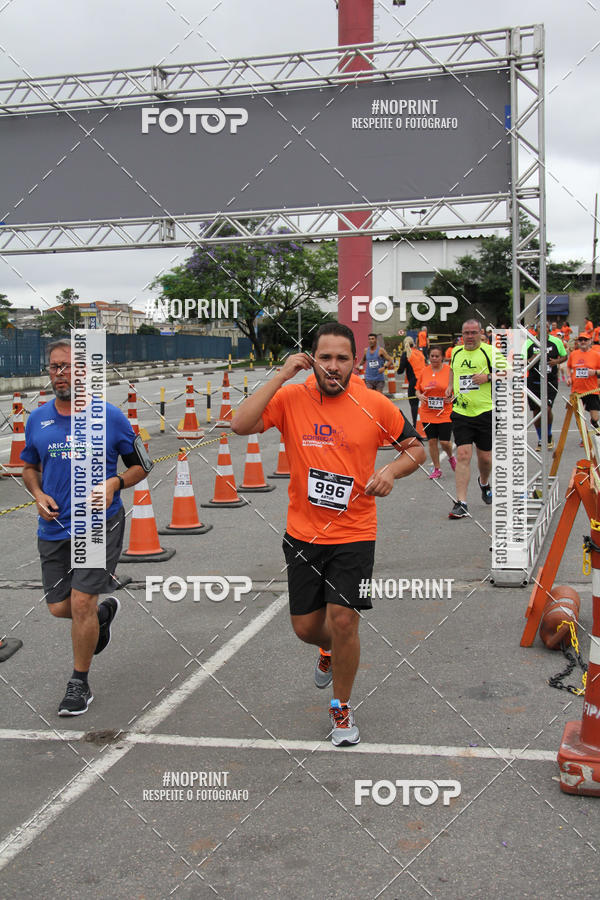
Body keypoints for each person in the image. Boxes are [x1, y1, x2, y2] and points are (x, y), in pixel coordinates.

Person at [231, 322, 425, 746]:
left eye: (342, 358)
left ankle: (341, 707)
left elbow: (416, 448)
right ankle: (329, 649)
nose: (333, 366)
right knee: (306, 627)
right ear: (311, 359)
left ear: (356, 361)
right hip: (303, 534)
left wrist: (391, 470)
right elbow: (240, 425)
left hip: (355, 532)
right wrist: (282, 374)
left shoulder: (375, 403)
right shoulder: (290, 398)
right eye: (325, 358)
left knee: (343, 619)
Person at [21, 340, 148, 716]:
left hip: (98, 523)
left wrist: (115, 484)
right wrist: (38, 492)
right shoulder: (37, 419)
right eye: (55, 367)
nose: (60, 373)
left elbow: (142, 465)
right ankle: (103, 615)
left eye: (68, 367)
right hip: (54, 528)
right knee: (60, 607)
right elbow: (29, 466)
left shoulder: (110, 417)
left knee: (80, 603)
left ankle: (79, 682)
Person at [445, 318, 503, 519]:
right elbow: (453, 370)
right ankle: (461, 502)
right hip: (461, 412)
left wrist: (487, 377)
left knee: (485, 458)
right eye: (466, 333)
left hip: (485, 412)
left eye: (473, 333)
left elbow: (511, 372)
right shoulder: (456, 352)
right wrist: (450, 386)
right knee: (463, 455)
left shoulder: (490, 352)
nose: (469, 337)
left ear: (480, 333)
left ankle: (484, 482)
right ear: (462, 335)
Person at [524, 325, 567, 450]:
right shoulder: (528, 343)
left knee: (546, 409)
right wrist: (530, 360)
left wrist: (556, 362)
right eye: (541, 328)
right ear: (536, 330)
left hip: (550, 381)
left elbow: (565, 356)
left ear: (548, 330)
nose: (544, 330)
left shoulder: (556, 341)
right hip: (534, 382)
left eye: (546, 328)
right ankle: (540, 439)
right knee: (537, 412)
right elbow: (520, 361)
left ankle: (547, 436)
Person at [415, 346, 456, 478]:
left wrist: (452, 397)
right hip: (427, 412)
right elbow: (417, 389)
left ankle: (451, 457)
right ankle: (437, 468)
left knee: (444, 442)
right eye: (432, 356)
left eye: (437, 356)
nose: (434, 359)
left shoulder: (449, 371)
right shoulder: (424, 371)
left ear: (442, 357)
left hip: (444, 411)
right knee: (432, 441)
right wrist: (419, 396)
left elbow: (455, 390)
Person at [566, 333, 600, 434]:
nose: (583, 342)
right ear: (578, 342)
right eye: (581, 340)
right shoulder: (574, 354)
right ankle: (583, 436)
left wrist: (594, 372)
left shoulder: (596, 355)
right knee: (579, 416)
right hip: (577, 391)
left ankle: (594, 423)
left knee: (595, 417)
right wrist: (568, 377)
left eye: (585, 340)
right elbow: (568, 367)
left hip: (591, 390)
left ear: (590, 341)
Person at [397, 336, 426, 427]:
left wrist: (397, 370)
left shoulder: (406, 354)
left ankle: (416, 426)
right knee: (424, 403)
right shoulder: (420, 353)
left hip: (414, 382)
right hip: (424, 380)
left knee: (414, 405)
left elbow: (401, 370)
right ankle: (426, 424)